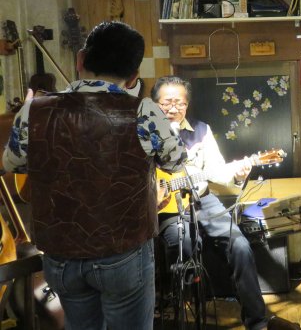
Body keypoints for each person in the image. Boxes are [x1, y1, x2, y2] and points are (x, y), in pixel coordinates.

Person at [1, 21, 187, 330]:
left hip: (61, 255)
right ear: (134, 77)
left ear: (80, 60)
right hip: (123, 253)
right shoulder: (144, 111)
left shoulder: (34, 110)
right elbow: (176, 160)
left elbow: (13, 163)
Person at [150, 76, 299, 330]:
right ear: (154, 104)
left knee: (240, 246)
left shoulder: (201, 130)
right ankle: (181, 316)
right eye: (166, 103)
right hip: (167, 206)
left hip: (202, 198)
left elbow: (218, 171)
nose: (173, 108)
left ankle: (257, 321)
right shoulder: (143, 135)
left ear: (187, 104)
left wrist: (239, 174)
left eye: (180, 103)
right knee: (184, 245)